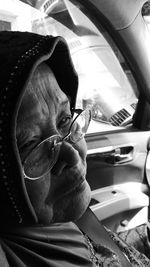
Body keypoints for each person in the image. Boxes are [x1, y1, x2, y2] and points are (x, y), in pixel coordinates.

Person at [0, 30, 150, 267]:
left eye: (64, 119)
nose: (72, 154)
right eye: (30, 144)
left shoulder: (63, 214)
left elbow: (111, 252)